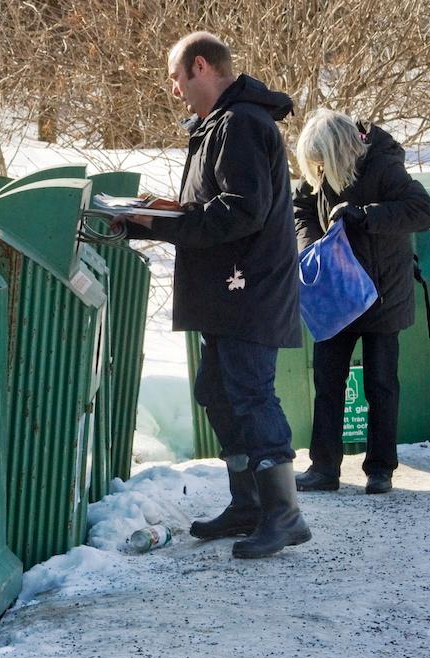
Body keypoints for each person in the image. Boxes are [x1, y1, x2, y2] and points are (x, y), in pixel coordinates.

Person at [118, 32, 309, 558]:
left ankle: (284, 514)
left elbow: (242, 210)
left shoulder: (243, 123)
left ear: (201, 66)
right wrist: (161, 213)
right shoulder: (220, 126)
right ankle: (247, 504)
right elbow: (217, 203)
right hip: (230, 290)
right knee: (217, 392)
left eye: (177, 79)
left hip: (248, 289)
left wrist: (163, 225)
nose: (175, 91)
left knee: (251, 395)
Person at [291, 110, 430, 495]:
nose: (317, 168)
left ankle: (380, 469)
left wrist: (366, 216)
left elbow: (423, 211)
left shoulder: (385, 168)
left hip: (382, 293)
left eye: (322, 159)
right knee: (328, 381)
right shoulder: (320, 173)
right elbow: (300, 208)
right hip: (336, 295)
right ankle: (323, 468)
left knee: (381, 384)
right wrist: (309, 246)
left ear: (340, 149)